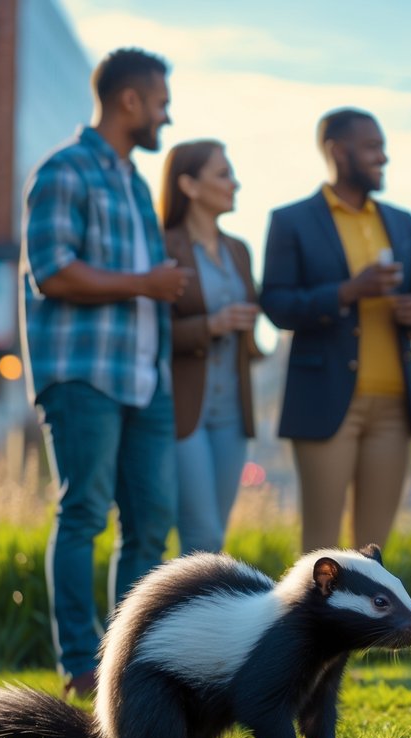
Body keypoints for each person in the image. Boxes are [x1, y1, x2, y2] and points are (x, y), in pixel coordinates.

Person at [21, 48, 188, 698]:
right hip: (83, 372)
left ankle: (128, 665)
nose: (164, 118)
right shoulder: (65, 171)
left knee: (149, 523)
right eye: (161, 104)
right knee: (85, 511)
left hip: (146, 379)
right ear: (130, 101)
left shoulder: (133, 183)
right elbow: (53, 271)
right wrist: (145, 282)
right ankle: (80, 666)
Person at [260, 109, 411, 554]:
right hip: (324, 400)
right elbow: (277, 304)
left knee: (373, 553)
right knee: (320, 550)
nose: (383, 157)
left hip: (394, 407)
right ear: (338, 151)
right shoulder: (292, 220)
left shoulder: (402, 221)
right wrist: (349, 291)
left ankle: (373, 629)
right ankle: (306, 627)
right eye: (372, 147)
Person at [160, 140, 263, 556]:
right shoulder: (163, 245)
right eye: (222, 174)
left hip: (233, 413)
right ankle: (176, 620)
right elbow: (152, 332)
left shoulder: (239, 250)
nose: (234, 183)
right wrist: (211, 325)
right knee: (200, 536)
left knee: (215, 539)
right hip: (184, 410)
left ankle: (195, 620)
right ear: (188, 184)